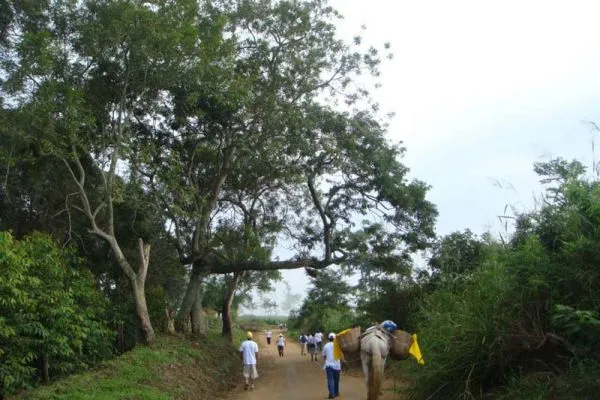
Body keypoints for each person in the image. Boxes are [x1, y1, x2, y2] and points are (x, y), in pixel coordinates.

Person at [322, 332, 341, 399]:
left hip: (329, 365)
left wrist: (327, 360)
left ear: (328, 338)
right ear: (335, 338)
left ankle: (332, 393)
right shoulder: (338, 345)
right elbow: (340, 355)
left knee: (330, 379)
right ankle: (336, 392)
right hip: (337, 365)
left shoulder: (325, 346)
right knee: (336, 380)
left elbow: (324, 356)